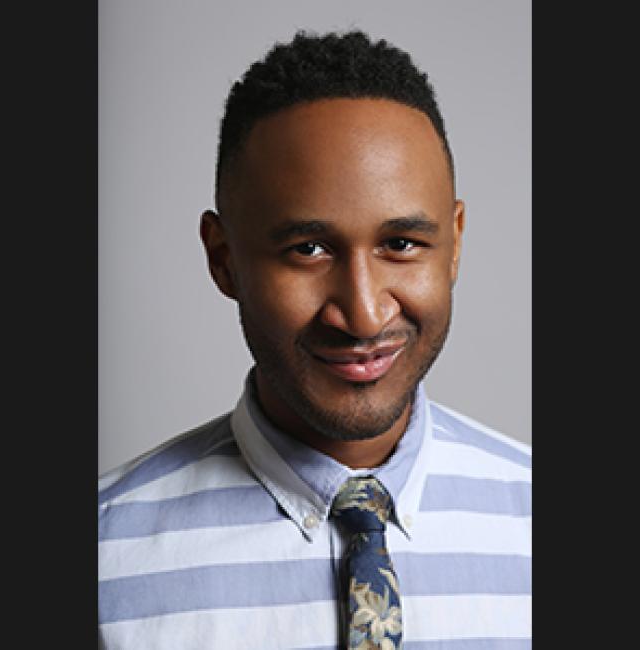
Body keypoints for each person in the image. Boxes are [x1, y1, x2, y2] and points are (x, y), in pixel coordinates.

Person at [98, 30, 531, 649]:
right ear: (223, 259)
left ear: (455, 243)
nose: (361, 313)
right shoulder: (103, 559)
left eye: (401, 244)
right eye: (308, 249)